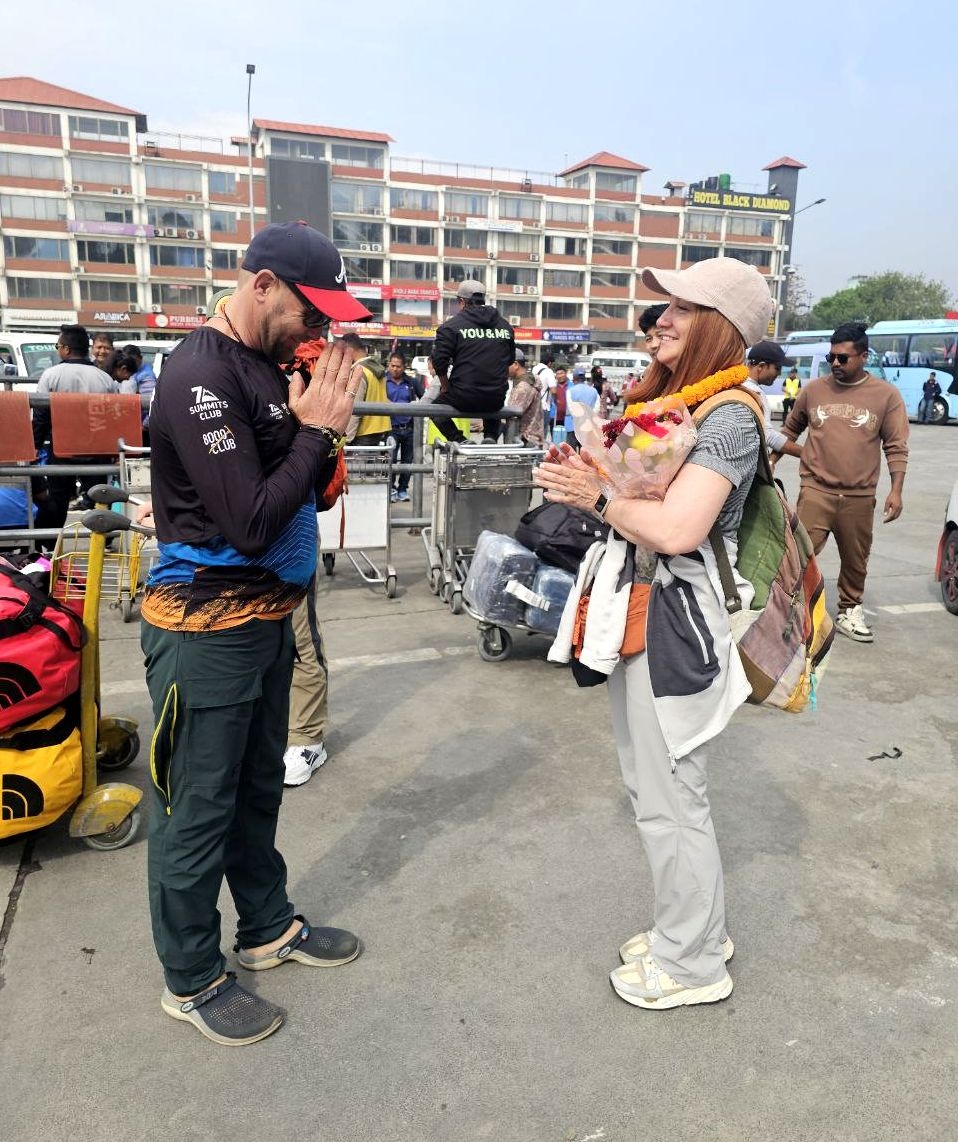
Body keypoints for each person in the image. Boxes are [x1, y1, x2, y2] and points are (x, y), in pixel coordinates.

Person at [140, 221, 373, 1046]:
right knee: (195, 810)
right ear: (264, 284)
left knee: (255, 793)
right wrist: (315, 432)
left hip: (269, 618)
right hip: (204, 628)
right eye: (311, 310)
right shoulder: (201, 373)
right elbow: (248, 520)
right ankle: (192, 976)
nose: (319, 327)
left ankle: (267, 925)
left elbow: (294, 485)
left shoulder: (268, 365)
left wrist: (317, 435)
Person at [534, 256, 775, 1010]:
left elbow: (676, 529)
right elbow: (638, 496)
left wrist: (597, 496)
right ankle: (692, 932)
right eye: (664, 305)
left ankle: (693, 964)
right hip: (646, 605)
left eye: (681, 307)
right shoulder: (675, 400)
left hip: (678, 618)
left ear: (720, 328)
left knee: (672, 797)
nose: (660, 320)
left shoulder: (729, 415)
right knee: (654, 788)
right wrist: (590, 476)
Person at [781, 321, 909, 643]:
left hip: (859, 496)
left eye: (843, 358)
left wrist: (896, 490)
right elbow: (789, 431)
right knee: (798, 554)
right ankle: (790, 611)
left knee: (856, 559)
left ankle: (849, 610)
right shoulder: (813, 391)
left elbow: (896, 446)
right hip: (816, 490)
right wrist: (770, 461)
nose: (835, 363)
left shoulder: (886, 396)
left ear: (864, 356)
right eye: (831, 357)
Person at [32, 324, 118, 525]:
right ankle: (104, 538)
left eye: (58, 346)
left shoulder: (51, 375)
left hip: (62, 450)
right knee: (100, 500)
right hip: (97, 450)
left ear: (66, 349)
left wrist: (35, 445)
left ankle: (51, 540)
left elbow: (41, 415)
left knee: (57, 500)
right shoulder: (105, 378)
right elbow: (113, 417)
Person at [429, 278, 514, 443]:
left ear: (461, 302)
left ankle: (460, 440)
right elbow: (509, 361)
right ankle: (490, 436)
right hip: (495, 398)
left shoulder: (451, 327)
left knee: (434, 409)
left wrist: (445, 387)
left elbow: (439, 362)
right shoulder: (505, 327)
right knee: (493, 399)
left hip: (463, 396)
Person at [743, 341, 802, 461]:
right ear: (761, 366)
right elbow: (767, 435)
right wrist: (806, 453)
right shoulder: (754, 393)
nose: (779, 373)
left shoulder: (740, 385)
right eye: (777, 368)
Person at [341, 333, 391, 446]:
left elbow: (355, 409)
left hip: (362, 434)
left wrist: (346, 440)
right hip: (379, 430)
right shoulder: (378, 369)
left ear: (349, 350)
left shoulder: (359, 371)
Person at [621, 303, 667, 406]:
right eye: (648, 339)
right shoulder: (646, 377)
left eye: (661, 336)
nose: (654, 345)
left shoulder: (693, 380)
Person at [386, 351, 416, 500]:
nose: (395, 369)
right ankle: (391, 489)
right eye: (392, 365)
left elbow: (424, 398)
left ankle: (403, 489)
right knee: (390, 460)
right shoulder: (383, 381)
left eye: (398, 366)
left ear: (404, 367)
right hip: (391, 428)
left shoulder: (411, 383)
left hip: (409, 428)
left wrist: (414, 405)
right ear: (388, 365)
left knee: (407, 461)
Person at [506, 348, 544, 446]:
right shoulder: (525, 382)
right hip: (530, 439)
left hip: (525, 440)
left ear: (515, 364)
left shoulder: (523, 387)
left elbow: (512, 412)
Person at [565, 364, 599, 449]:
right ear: (584, 378)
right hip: (588, 426)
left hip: (572, 426)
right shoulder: (594, 391)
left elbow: (571, 409)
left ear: (574, 378)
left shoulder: (570, 391)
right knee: (586, 452)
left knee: (571, 452)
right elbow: (596, 409)